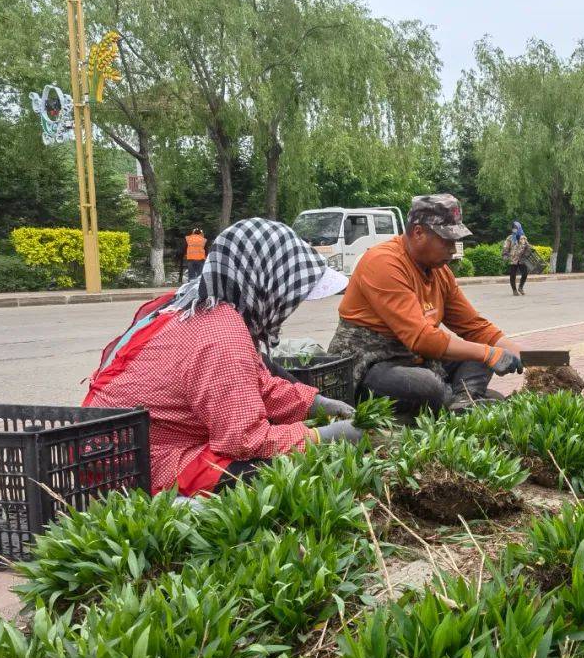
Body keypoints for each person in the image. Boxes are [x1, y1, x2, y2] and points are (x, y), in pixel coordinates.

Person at [84, 219, 358, 497]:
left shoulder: (206, 305)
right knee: (273, 473)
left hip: (124, 446)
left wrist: (314, 404)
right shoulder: (221, 333)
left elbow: (256, 384)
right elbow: (244, 440)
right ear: (267, 284)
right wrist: (322, 437)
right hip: (129, 465)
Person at [328, 194, 524, 415]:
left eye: (455, 241)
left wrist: (521, 355)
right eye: (446, 240)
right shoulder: (383, 262)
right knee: (427, 385)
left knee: (481, 350)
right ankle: (459, 398)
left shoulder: (440, 272)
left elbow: (474, 326)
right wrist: (488, 354)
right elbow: (422, 338)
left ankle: (463, 401)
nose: (453, 249)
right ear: (418, 232)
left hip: (416, 360)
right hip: (372, 366)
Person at [503, 221, 531, 296]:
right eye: (513, 228)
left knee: (525, 273)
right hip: (513, 258)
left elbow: (528, 247)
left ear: (519, 228)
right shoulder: (510, 238)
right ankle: (514, 290)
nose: (514, 230)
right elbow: (506, 247)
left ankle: (520, 287)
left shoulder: (523, 238)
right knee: (513, 275)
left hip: (522, 259)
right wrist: (505, 254)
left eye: (516, 228)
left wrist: (527, 252)